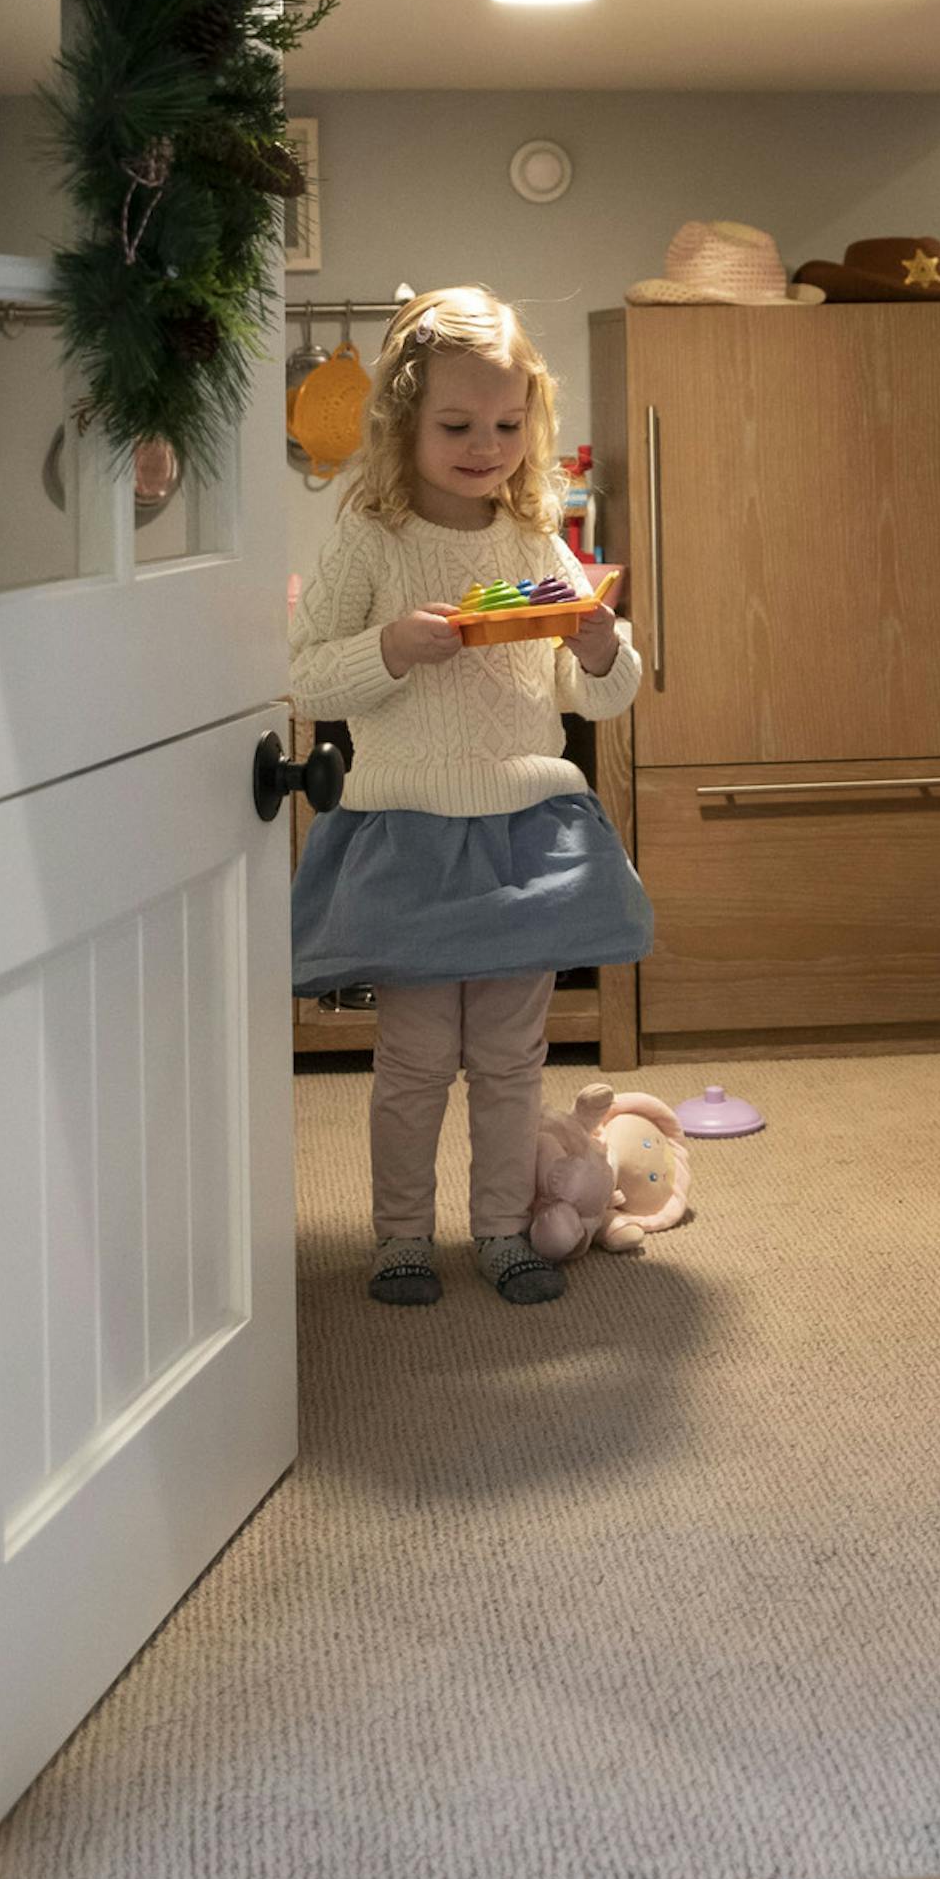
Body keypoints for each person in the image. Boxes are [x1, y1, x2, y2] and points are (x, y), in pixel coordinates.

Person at [289, 287, 652, 1306]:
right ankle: (401, 1235)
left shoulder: (535, 535)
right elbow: (305, 674)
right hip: (411, 831)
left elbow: (599, 694)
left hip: (528, 831)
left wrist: (600, 643)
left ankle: (500, 1227)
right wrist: (392, 647)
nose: (483, 445)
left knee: (508, 1057)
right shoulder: (372, 534)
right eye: (456, 424)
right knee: (412, 1060)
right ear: (403, 421)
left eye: (505, 425)